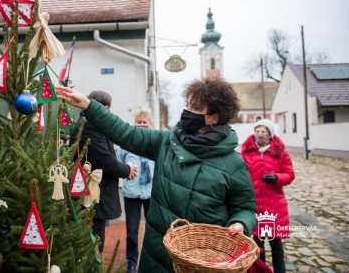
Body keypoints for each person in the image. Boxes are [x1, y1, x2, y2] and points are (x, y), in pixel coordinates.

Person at [56, 77, 257, 272]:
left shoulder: (234, 164)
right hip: (157, 255)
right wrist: (90, 106)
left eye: (195, 108)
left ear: (214, 117)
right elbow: (125, 133)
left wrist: (240, 223)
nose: (187, 112)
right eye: (186, 105)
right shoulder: (166, 142)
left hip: (204, 262)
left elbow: (245, 208)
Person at [68, 90, 138, 255]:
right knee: (93, 245)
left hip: (91, 193)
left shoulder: (86, 123)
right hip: (92, 195)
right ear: (104, 108)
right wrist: (127, 169)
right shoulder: (91, 125)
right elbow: (105, 161)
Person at [241, 119, 295, 273]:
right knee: (257, 244)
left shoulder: (280, 152)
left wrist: (276, 178)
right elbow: (241, 175)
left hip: (275, 206)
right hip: (255, 204)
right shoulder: (246, 152)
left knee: (275, 244)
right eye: (257, 131)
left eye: (263, 131)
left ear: (270, 134)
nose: (260, 134)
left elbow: (290, 175)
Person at [116, 108, 155, 273]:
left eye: (144, 122)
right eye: (139, 122)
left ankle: (150, 262)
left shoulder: (154, 142)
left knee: (153, 230)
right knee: (132, 231)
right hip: (131, 193)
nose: (141, 125)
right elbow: (118, 162)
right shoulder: (128, 142)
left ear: (150, 124)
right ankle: (131, 263)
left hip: (151, 193)